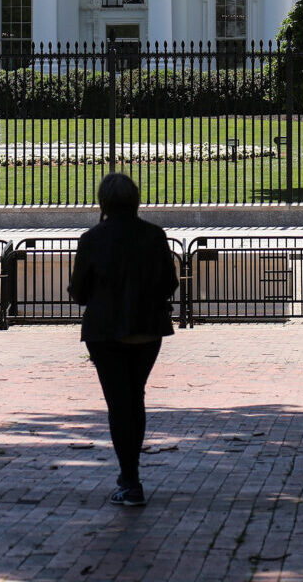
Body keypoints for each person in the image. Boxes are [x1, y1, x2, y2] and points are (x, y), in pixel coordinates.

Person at [68, 172, 178, 508]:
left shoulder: (92, 238)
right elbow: (169, 283)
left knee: (119, 403)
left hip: (105, 331)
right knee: (135, 397)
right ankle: (130, 476)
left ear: (103, 201)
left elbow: (79, 292)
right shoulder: (154, 235)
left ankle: (129, 479)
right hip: (147, 327)